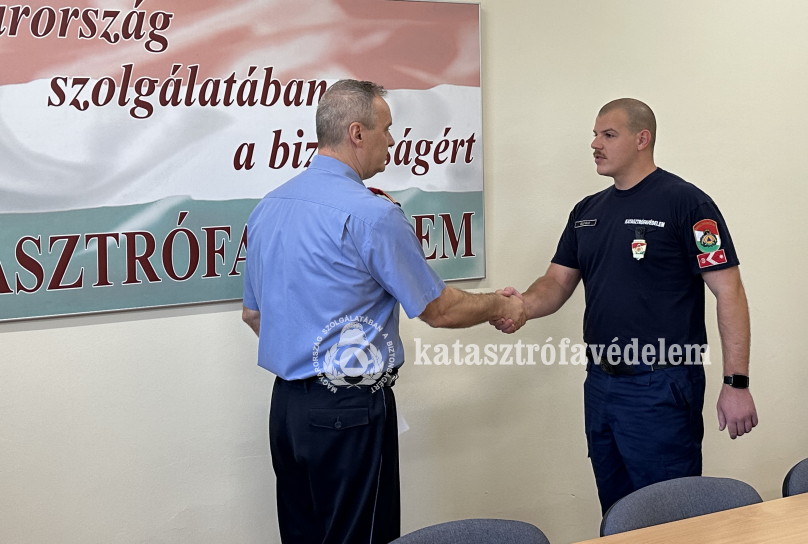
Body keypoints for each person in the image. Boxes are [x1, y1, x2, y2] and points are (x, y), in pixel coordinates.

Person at [241, 79, 526, 544]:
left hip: (287, 411)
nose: (392, 140)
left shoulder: (268, 208)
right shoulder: (372, 215)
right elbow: (439, 310)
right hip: (349, 409)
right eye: (387, 129)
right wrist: (502, 303)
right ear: (357, 133)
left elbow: (253, 316)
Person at [493, 98, 757, 513]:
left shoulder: (687, 204)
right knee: (618, 512)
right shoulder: (587, 212)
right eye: (595, 135)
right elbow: (556, 283)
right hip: (601, 383)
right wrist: (521, 305)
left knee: (670, 516)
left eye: (608, 134)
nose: (595, 144)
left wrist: (736, 383)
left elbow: (730, 292)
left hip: (661, 383)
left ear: (642, 139)